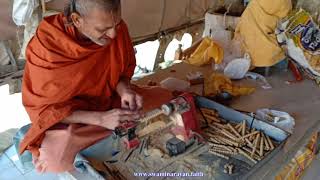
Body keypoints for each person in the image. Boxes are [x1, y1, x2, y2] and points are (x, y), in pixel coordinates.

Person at [17, 0, 165, 173]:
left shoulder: (114, 27)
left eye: (116, 25)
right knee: (55, 161)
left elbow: (120, 71)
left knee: (163, 99)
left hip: (108, 100)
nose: (113, 35)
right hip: (71, 118)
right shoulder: (48, 47)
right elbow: (47, 111)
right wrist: (101, 119)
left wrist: (124, 90)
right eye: (103, 30)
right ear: (77, 19)